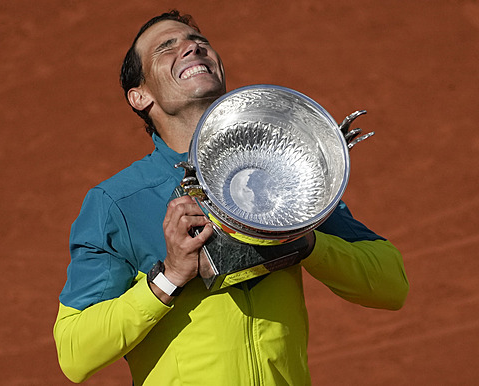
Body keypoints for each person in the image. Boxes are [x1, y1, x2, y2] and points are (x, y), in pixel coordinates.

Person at [53, 10, 409, 385]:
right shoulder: (118, 202)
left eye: (198, 40)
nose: (192, 46)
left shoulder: (277, 173)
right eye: (166, 47)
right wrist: (170, 277)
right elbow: (75, 353)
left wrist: (303, 240)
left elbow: (391, 285)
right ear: (139, 96)